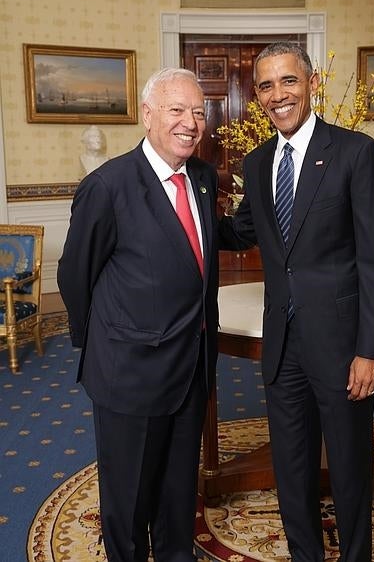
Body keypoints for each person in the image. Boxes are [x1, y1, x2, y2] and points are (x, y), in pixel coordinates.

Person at [219, 42, 374, 562]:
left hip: (343, 347)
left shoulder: (357, 152)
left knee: (347, 467)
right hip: (282, 345)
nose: (278, 95)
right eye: (267, 86)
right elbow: (245, 230)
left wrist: (371, 350)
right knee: (291, 467)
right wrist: (189, 201)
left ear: (312, 83)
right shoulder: (256, 164)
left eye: (288, 81)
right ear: (258, 97)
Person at [58, 68, 220, 562]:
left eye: (197, 112)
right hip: (129, 374)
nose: (190, 123)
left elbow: (201, 252)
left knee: (177, 492)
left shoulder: (204, 179)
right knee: (127, 503)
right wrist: (108, 343)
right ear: (148, 116)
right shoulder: (107, 186)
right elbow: (74, 276)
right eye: (177, 110)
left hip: (191, 366)